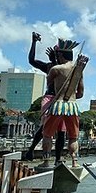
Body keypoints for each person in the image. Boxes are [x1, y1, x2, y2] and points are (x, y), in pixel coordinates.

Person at [41, 39, 87, 168]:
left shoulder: (56, 69)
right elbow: (81, 93)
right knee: (73, 136)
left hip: (58, 105)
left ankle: (46, 162)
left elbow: (49, 84)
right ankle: (74, 162)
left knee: (47, 134)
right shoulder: (79, 70)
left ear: (60, 56)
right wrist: (71, 96)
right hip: (72, 106)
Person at [23, 32, 65, 163]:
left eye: (58, 54)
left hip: (62, 100)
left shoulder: (64, 67)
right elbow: (31, 60)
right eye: (55, 53)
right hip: (50, 98)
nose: (56, 56)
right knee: (45, 127)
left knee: (61, 131)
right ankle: (33, 151)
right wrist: (34, 42)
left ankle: (57, 159)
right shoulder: (49, 66)